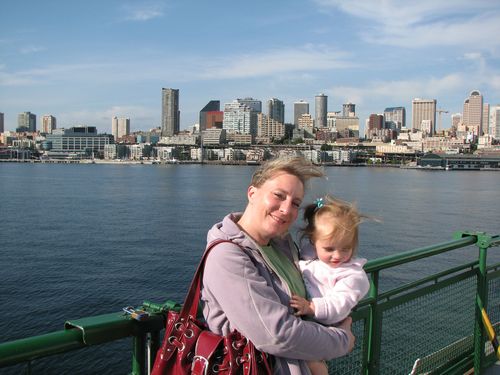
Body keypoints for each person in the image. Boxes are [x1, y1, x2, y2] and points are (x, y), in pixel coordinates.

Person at [201, 156, 356, 375]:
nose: (286, 209)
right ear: (252, 193)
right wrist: (342, 340)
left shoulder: (282, 245)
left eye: (295, 203)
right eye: (278, 196)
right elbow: (277, 334)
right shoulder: (227, 255)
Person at [289, 195, 370, 375]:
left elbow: (339, 303)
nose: (337, 256)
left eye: (345, 249)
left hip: (325, 325)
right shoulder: (312, 256)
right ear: (313, 242)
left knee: (313, 364)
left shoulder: (352, 275)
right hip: (309, 324)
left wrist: (311, 307)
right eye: (329, 249)